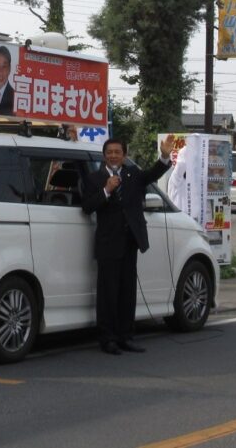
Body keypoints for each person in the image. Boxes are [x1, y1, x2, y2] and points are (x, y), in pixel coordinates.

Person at [81, 134, 175, 355]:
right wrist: (106, 190)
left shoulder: (133, 174)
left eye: (118, 152)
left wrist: (164, 156)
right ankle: (108, 339)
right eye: (110, 152)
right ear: (104, 155)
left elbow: (153, 174)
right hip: (108, 243)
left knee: (127, 291)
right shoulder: (95, 178)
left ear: (124, 155)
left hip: (130, 241)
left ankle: (126, 336)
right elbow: (87, 206)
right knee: (108, 293)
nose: (114, 156)